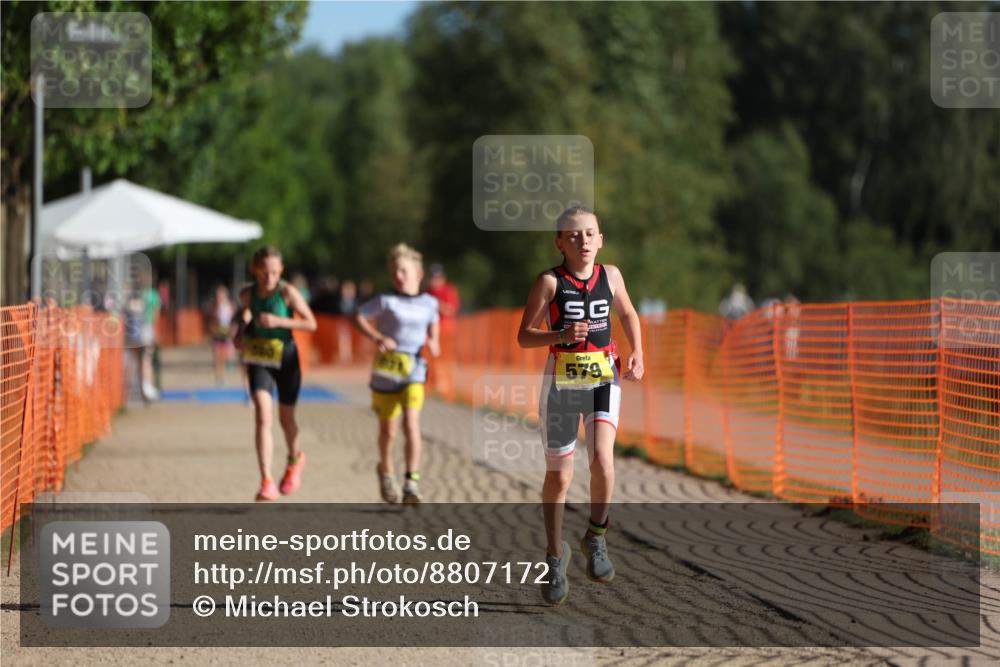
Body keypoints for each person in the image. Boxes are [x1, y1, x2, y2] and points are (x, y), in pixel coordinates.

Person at [516, 206, 644, 606]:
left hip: (603, 377)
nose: (583, 241)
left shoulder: (613, 275)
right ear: (559, 242)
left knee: (603, 459)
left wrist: (638, 349)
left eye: (590, 234)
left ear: (601, 239)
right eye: (573, 236)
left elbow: (627, 312)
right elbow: (524, 336)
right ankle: (556, 556)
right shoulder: (550, 283)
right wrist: (560, 333)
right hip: (562, 382)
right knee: (559, 477)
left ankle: (596, 535)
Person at [353, 244, 440, 506]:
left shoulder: (429, 303)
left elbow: (433, 323)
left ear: (418, 273)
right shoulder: (385, 301)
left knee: (411, 423)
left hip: (414, 368)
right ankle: (386, 472)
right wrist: (378, 337)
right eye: (394, 272)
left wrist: (434, 341)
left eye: (403, 271)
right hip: (386, 372)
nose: (398, 276)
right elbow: (358, 316)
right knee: (388, 430)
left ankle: (411, 482)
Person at [232, 246, 317, 501]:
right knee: (262, 415)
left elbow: (311, 323)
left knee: (286, 420)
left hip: (287, 358)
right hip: (259, 358)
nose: (269, 278)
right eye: (264, 272)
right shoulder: (247, 294)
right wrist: (241, 331)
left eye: (274, 272)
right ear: (255, 271)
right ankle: (266, 480)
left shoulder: (287, 293)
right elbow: (245, 315)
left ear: (281, 271)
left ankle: (295, 459)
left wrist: (280, 322)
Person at [124, 274, 160, 403]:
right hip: (141, 335)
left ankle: (136, 390)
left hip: (137, 335)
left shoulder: (132, 302)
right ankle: (141, 389)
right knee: (142, 361)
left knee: (136, 362)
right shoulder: (143, 300)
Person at [208, 284, 235, 386]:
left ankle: (227, 366)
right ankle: (219, 378)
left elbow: (234, 320)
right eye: (217, 295)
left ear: (225, 295)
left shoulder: (230, 307)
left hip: (227, 334)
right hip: (217, 334)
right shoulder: (214, 307)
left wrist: (232, 331)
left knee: (225, 356)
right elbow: (210, 321)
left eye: (221, 294)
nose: (219, 296)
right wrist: (212, 330)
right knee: (217, 357)